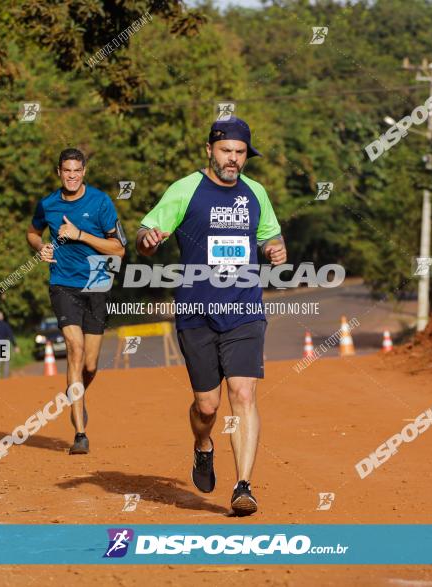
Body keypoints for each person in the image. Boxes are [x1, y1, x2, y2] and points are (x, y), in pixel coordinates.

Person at [136, 117, 286, 516]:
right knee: (207, 406)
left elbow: (271, 234)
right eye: (226, 151)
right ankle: (203, 446)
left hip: (244, 309)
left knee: (244, 394)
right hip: (196, 311)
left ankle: (243, 486)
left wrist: (274, 248)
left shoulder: (255, 193)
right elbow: (147, 231)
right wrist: (148, 240)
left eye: (240, 153)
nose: (233, 159)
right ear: (209, 150)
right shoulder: (186, 190)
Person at [26, 147, 127, 454]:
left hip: (97, 282)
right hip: (63, 284)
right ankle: (80, 434)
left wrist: (81, 234)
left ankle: (76, 393)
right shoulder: (49, 204)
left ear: (84, 172)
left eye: (77, 171)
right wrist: (41, 247)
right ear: (59, 172)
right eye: (66, 171)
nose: (72, 176)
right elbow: (32, 232)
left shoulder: (100, 202)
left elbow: (119, 249)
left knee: (91, 365)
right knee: (75, 349)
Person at [0, 310, 19, 378]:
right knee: (6, 363)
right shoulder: (5, 325)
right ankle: (5, 379)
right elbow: (11, 336)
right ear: (2, 317)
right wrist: (15, 346)